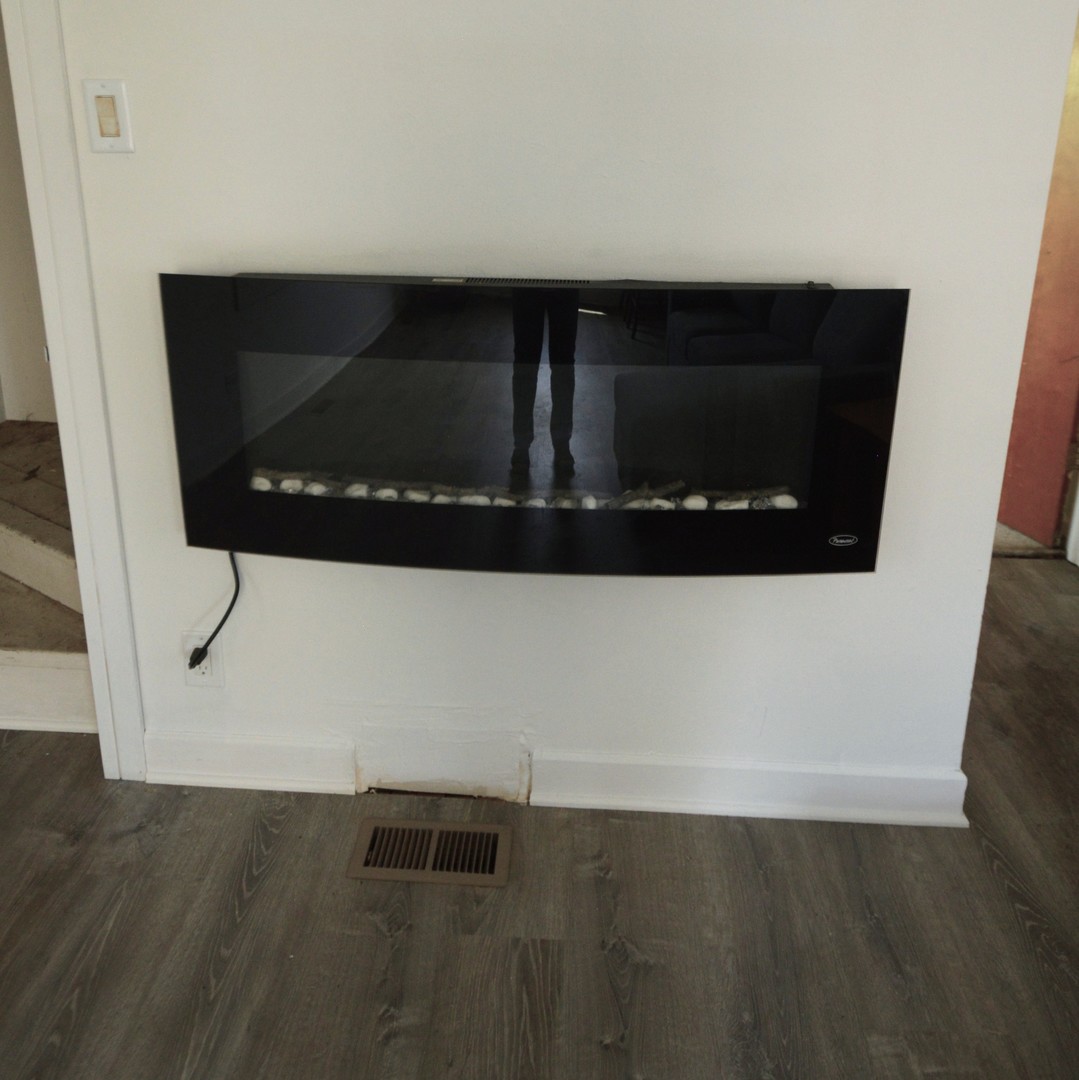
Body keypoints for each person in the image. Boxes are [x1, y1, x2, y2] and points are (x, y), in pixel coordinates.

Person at [510, 287, 580, 478]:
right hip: (538, 275)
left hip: (549, 275)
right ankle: (550, 443)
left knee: (557, 365)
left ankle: (533, 444)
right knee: (532, 364)